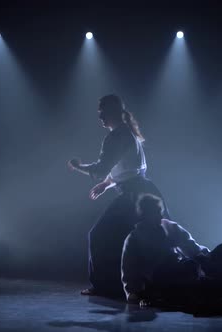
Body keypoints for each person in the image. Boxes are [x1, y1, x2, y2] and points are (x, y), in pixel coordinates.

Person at [68, 94, 170, 297]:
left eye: (103, 112)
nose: (100, 117)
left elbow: (100, 168)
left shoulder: (117, 137)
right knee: (155, 236)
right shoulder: (128, 134)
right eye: (99, 113)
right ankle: (136, 285)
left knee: (99, 236)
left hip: (134, 195)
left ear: (114, 112)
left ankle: (104, 286)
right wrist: (106, 184)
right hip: (144, 192)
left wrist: (77, 166)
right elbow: (128, 169)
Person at [121, 193, 222, 310]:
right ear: (144, 215)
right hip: (165, 279)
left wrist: (209, 258)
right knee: (192, 270)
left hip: (187, 267)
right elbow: (128, 269)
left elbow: (191, 246)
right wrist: (133, 294)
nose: (158, 216)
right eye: (154, 213)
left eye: (159, 212)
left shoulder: (169, 226)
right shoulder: (134, 238)